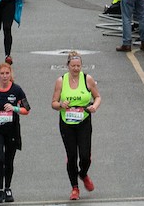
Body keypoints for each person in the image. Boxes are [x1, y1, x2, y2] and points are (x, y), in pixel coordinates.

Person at [49, 52, 97, 201]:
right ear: (68, 66)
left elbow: (98, 97)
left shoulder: (87, 79)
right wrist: (61, 105)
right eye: (73, 66)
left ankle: (83, 174)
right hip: (66, 123)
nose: (76, 68)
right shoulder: (60, 81)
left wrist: (94, 106)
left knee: (85, 156)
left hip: (83, 121)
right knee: (71, 156)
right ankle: (74, 188)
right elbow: (53, 103)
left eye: (78, 66)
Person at [0, 60, 31, 204]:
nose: (4, 76)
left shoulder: (17, 90)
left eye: (7, 73)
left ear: (11, 74)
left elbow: (26, 109)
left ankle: (8, 188)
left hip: (12, 130)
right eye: (2, 74)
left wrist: (14, 108)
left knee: (9, 160)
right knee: (0, 159)